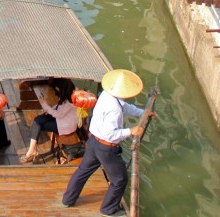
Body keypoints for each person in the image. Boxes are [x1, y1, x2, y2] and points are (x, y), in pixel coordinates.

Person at [61, 69, 153, 217]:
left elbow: (126, 108)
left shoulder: (107, 95)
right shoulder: (114, 109)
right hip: (106, 147)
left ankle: (68, 199)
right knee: (120, 180)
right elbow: (110, 134)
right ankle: (108, 210)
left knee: (83, 171)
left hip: (93, 142)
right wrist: (131, 130)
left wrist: (143, 113)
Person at [21, 77, 79, 163]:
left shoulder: (71, 100)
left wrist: (44, 105)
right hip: (61, 117)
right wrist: (48, 109)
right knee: (37, 121)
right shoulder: (68, 92)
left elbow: (59, 115)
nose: (56, 89)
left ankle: (31, 151)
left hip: (65, 125)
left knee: (37, 124)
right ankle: (32, 150)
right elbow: (60, 108)